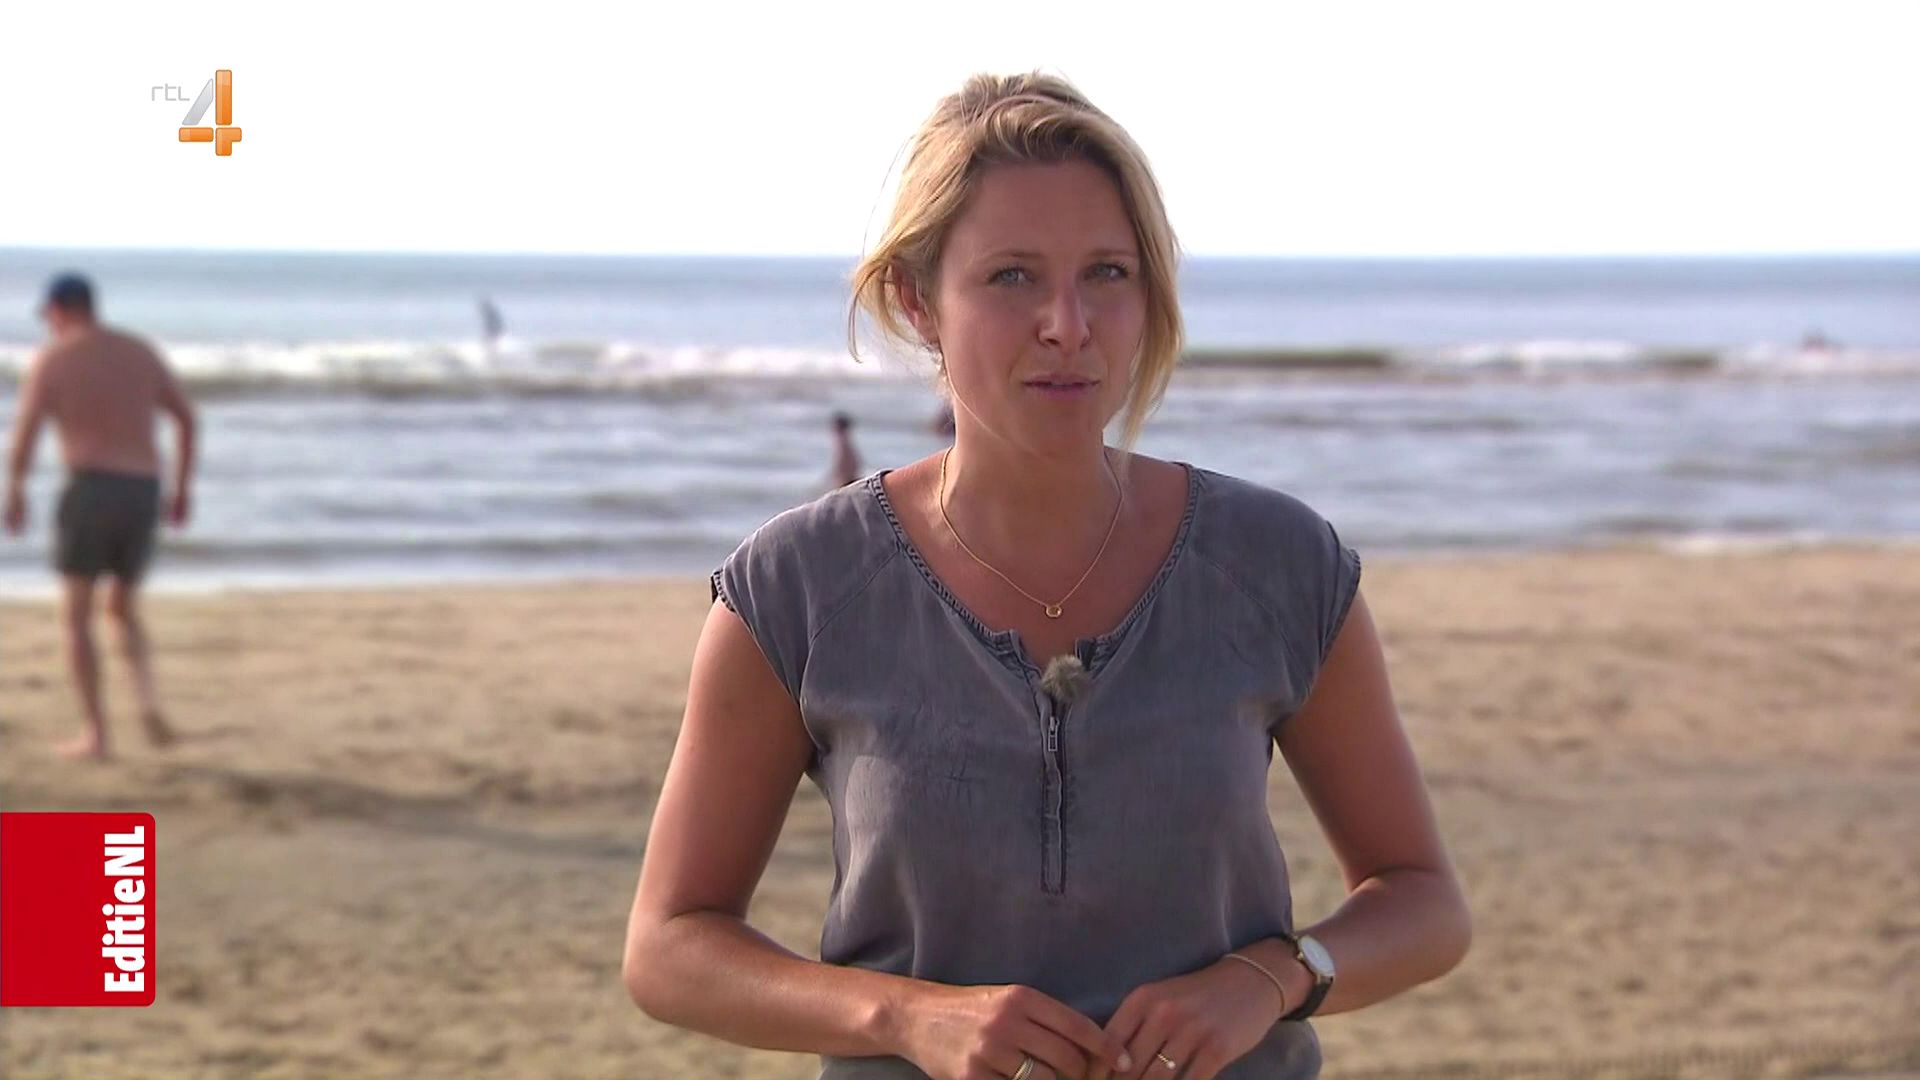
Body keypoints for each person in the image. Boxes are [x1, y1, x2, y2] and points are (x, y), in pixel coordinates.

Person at [621, 73, 1470, 1080]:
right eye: (1012, 277)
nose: (1068, 323)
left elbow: (1422, 900)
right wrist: (905, 1016)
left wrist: (1272, 978)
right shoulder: (799, 587)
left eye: (1107, 273)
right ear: (919, 302)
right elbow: (670, 946)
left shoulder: (1277, 565)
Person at [4, 273, 197, 761]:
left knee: (77, 615)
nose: (47, 324)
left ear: (61, 309)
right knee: (122, 608)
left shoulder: (54, 358)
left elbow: (26, 432)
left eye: (48, 315)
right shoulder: (139, 352)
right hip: (142, 488)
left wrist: (16, 490)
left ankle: (96, 734)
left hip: (90, 487)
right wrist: (181, 489)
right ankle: (148, 703)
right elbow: (186, 418)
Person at [829, 411, 864, 490]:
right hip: (850, 478)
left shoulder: (841, 441)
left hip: (847, 479)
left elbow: (842, 461)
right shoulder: (845, 440)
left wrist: (835, 475)